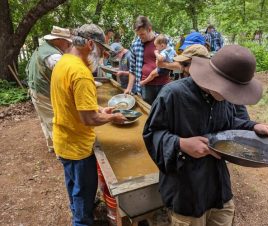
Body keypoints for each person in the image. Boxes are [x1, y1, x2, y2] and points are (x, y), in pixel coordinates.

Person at [143, 45, 268, 226]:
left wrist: (254, 127)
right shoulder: (172, 95)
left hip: (218, 187)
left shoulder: (224, 99)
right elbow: (152, 133)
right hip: (186, 190)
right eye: (229, 89)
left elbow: (230, 124)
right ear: (212, 78)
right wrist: (180, 144)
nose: (232, 96)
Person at [50, 24, 126, 226]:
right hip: (78, 148)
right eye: (100, 50)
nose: (100, 56)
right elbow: (88, 120)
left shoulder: (64, 62)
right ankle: (81, 221)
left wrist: (101, 110)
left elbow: (72, 105)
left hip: (62, 140)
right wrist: (113, 118)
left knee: (74, 187)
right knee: (84, 194)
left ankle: (76, 212)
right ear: (90, 44)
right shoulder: (81, 73)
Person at [26, 26, 72, 152]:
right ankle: (61, 151)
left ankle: (52, 146)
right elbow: (67, 76)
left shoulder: (43, 48)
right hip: (43, 92)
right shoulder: (53, 56)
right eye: (67, 42)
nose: (68, 45)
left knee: (45, 120)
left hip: (36, 90)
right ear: (58, 40)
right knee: (54, 121)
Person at [124, 15, 173, 105]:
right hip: (145, 87)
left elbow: (174, 62)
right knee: (148, 111)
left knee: (163, 111)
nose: (140, 37)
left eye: (142, 34)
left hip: (163, 84)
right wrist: (129, 88)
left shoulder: (164, 40)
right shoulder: (135, 45)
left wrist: (163, 66)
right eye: (138, 34)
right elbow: (132, 70)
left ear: (149, 29)